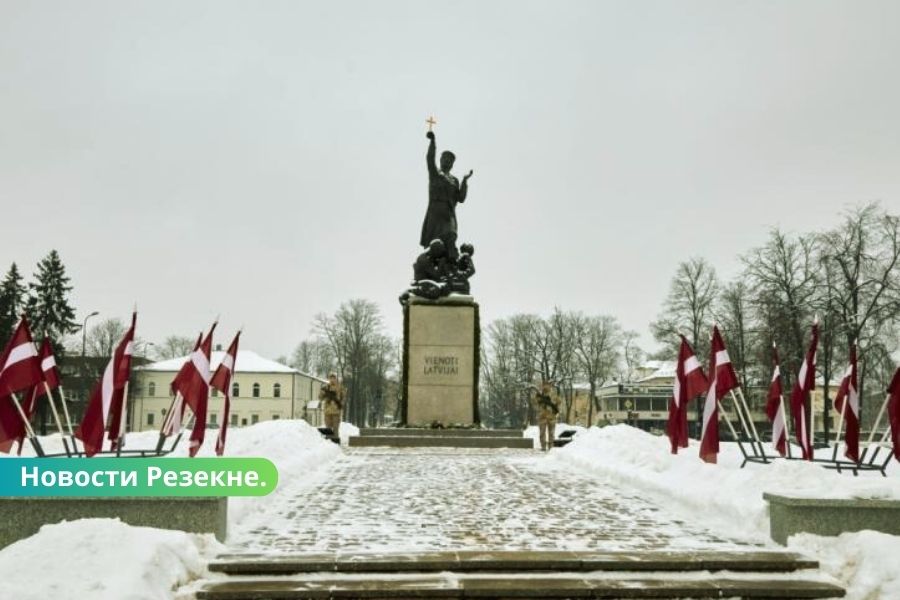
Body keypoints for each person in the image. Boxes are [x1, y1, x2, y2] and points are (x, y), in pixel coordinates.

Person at [420, 130, 473, 262]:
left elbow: (461, 198)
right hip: (436, 210)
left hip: (448, 213)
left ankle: (450, 263)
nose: (448, 161)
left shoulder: (454, 180)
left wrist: (465, 181)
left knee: (451, 234)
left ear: (452, 164)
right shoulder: (435, 173)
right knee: (435, 241)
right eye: (445, 158)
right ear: (441, 159)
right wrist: (433, 142)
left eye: (450, 160)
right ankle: (435, 263)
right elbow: (429, 159)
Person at [534, 381, 559, 451]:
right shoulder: (539, 395)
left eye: (547, 385)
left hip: (552, 417)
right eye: (544, 385)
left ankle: (551, 447)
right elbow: (535, 403)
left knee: (551, 433)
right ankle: (543, 446)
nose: (546, 387)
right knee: (542, 433)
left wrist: (553, 405)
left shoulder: (553, 395)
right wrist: (539, 400)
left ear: (550, 386)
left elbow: (558, 402)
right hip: (542, 417)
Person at [319, 373, 344, 438]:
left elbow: (343, 398)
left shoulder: (340, 387)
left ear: (336, 379)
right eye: (331, 378)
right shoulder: (326, 387)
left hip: (336, 412)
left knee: (335, 429)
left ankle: (335, 444)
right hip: (327, 412)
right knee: (328, 429)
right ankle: (329, 445)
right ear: (329, 379)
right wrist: (322, 393)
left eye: (334, 378)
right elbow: (320, 398)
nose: (332, 380)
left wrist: (339, 403)